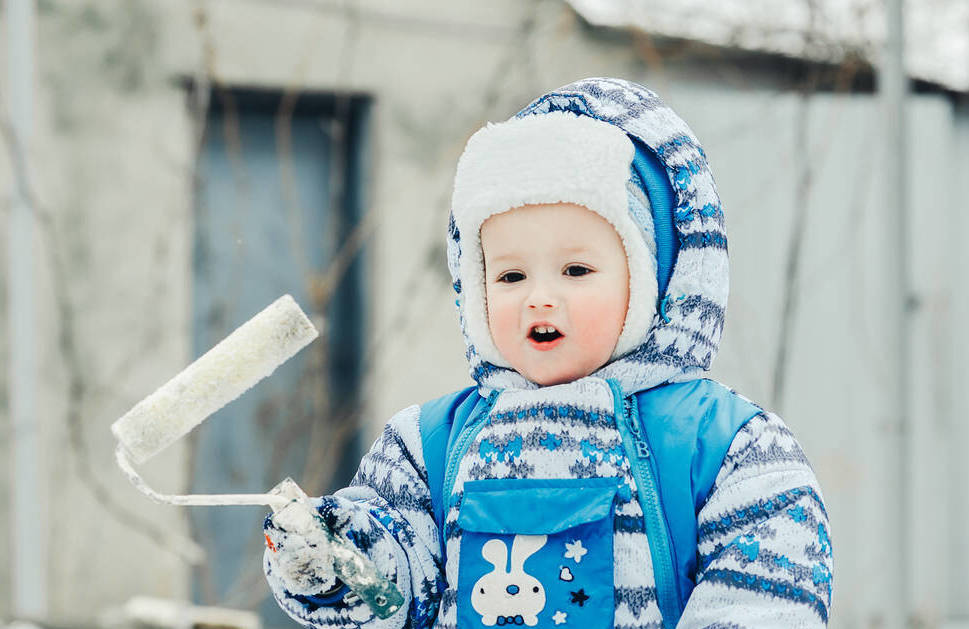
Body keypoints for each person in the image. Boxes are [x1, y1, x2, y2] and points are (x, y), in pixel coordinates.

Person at [263, 77, 833, 629]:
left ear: (654, 282)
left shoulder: (724, 448)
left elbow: (769, 596)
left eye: (576, 270)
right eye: (510, 275)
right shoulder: (428, 446)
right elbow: (393, 595)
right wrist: (335, 564)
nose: (539, 297)